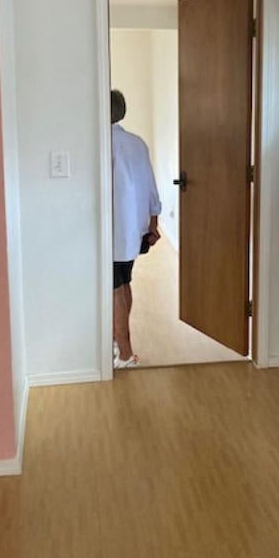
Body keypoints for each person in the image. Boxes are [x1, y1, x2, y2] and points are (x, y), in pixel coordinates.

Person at [111, 89, 161, 368]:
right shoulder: (137, 143)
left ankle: (125, 353)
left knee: (115, 289)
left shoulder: (104, 144)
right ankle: (118, 343)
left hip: (115, 231)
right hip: (135, 228)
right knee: (124, 283)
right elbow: (151, 185)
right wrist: (154, 222)